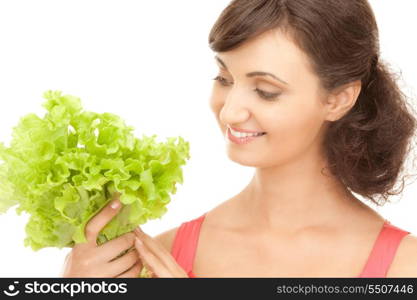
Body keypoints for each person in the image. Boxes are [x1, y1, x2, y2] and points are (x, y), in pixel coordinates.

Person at [62, 0, 417, 278]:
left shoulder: (404, 266)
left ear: (337, 99)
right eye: (224, 78)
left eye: (265, 91)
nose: (230, 112)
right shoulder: (162, 255)